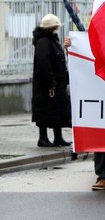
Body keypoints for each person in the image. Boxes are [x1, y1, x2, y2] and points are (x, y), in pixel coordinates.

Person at [32, 14, 72, 148]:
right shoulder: (43, 41)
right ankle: (42, 138)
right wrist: (51, 82)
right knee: (44, 112)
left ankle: (58, 137)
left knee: (57, 111)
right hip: (47, 86)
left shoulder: (51, 40)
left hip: (56, 84)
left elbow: (57, 59)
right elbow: (43, 63)